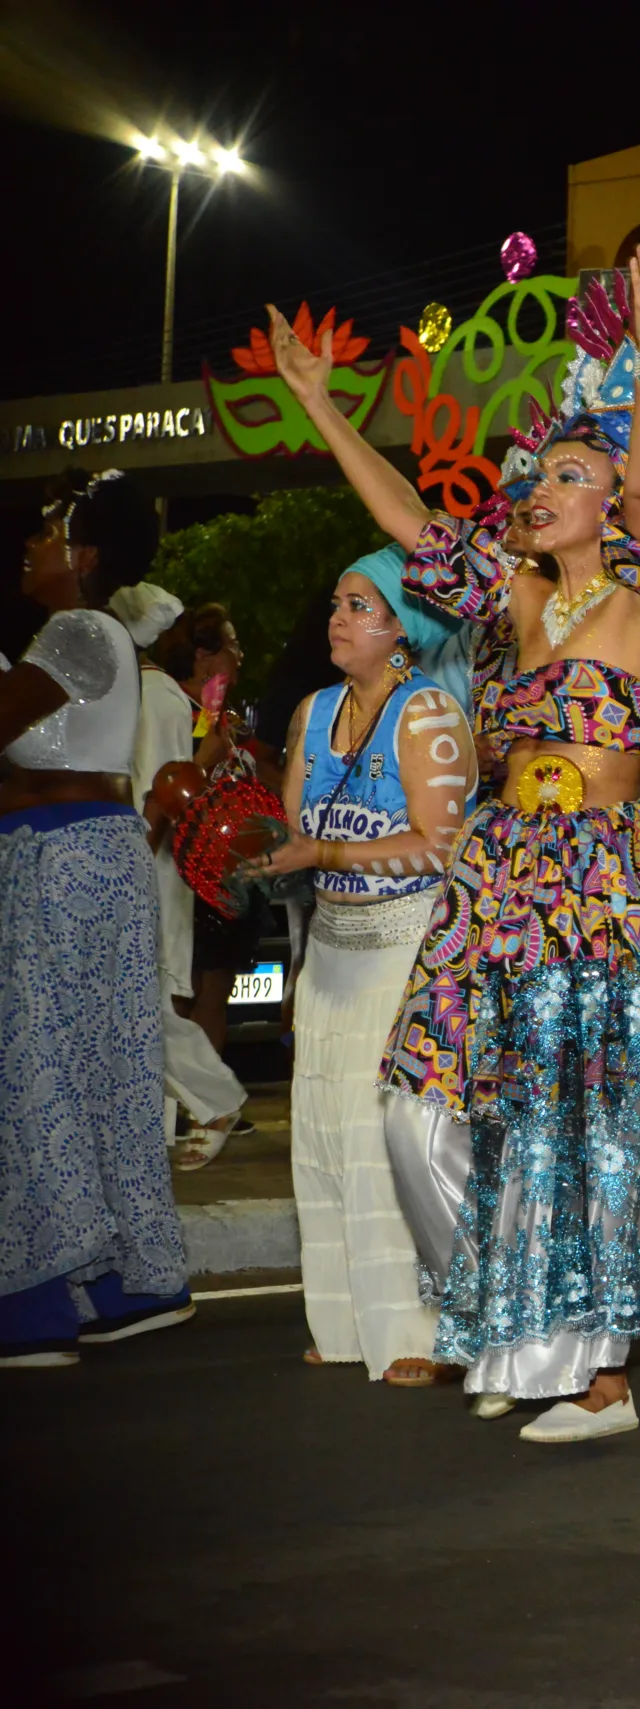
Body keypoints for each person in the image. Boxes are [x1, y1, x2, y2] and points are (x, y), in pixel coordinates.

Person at [266, 239, 640, 1442]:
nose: (539, 484)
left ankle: (599, 1377)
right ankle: (520, 1310)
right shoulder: (512, 600)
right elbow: (407, 519)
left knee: (580, 1128)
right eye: (537, 472)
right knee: (415, 1111)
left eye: (566, 475)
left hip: (603, 881)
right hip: (500, 877)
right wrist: (324, 406)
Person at [244, 549, 475, 1383]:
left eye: (361, 605)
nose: (339, 619)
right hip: (332, 942)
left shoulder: (429, 716)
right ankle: (343, 1321)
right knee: (320, 1132)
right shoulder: (313, 710)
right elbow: (291, 829)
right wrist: (251, 848)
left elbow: (441, 845)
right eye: (337, 603)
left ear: (404, 631)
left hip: (407, 942)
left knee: (389, 1139)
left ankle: (425, 1328)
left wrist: (327, 847)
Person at [0, 468, 192, 1368]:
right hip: (83, 852)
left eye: (48, 534)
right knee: (102, 1066)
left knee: (38, 1068)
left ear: (81, 555)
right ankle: (127, 1284)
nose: (34, 547)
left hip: (62, 852)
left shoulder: (79, 629)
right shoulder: (62, 635)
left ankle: (38, 1302)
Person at [110, 582, 252, 1169]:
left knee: (143, 1005)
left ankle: (214, 1100)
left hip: (147, 866)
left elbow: (166, 790)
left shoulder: (156, 696)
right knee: (136, 1005)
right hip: (139, 863)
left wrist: (130, 871)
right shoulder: (144, 692)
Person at [157, 605, 262, 1067]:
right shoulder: (171, 706)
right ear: (203, 654)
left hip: (229, 873)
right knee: (181, 995)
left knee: (214, 993)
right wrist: (206, 756)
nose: (240, 656)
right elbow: (168, 790)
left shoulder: (220, 715)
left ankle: (206, 1114)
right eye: (232, 645)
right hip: (183, 875)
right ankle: (194, 1109)